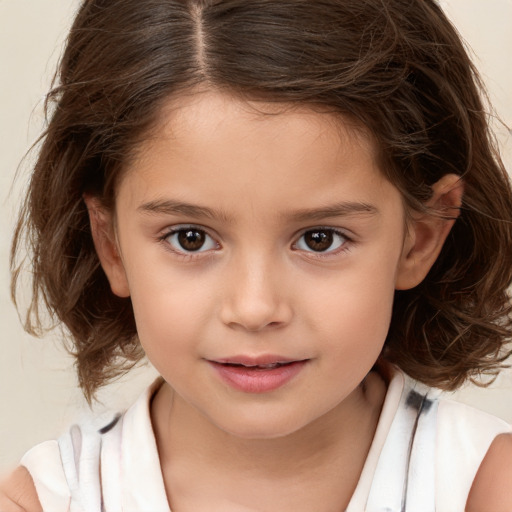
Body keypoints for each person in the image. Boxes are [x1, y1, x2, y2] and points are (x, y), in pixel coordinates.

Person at [2, 0, 512, 510]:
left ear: (420, 236)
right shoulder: (48, 499)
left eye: (319, 239)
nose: (254, 308)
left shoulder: (485, 487)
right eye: (190, 238)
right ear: (112, 245)